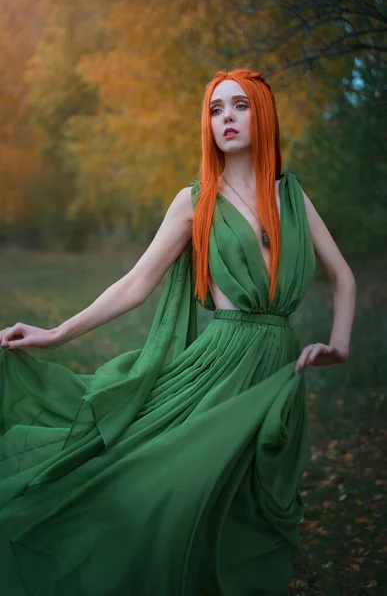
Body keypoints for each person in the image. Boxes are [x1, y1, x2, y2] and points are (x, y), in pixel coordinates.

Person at [0, 69, 356, 596]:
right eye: (215, 110)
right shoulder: (195, 201)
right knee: (169, 485)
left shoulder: (293, 200)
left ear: (264, 114)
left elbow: (343, 276)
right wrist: (57, 333)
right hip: (215, 369)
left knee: (247, 500)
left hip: (277, 369)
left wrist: (340, 346)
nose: (227, 118)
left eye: (239, 106)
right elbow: (136, 284)